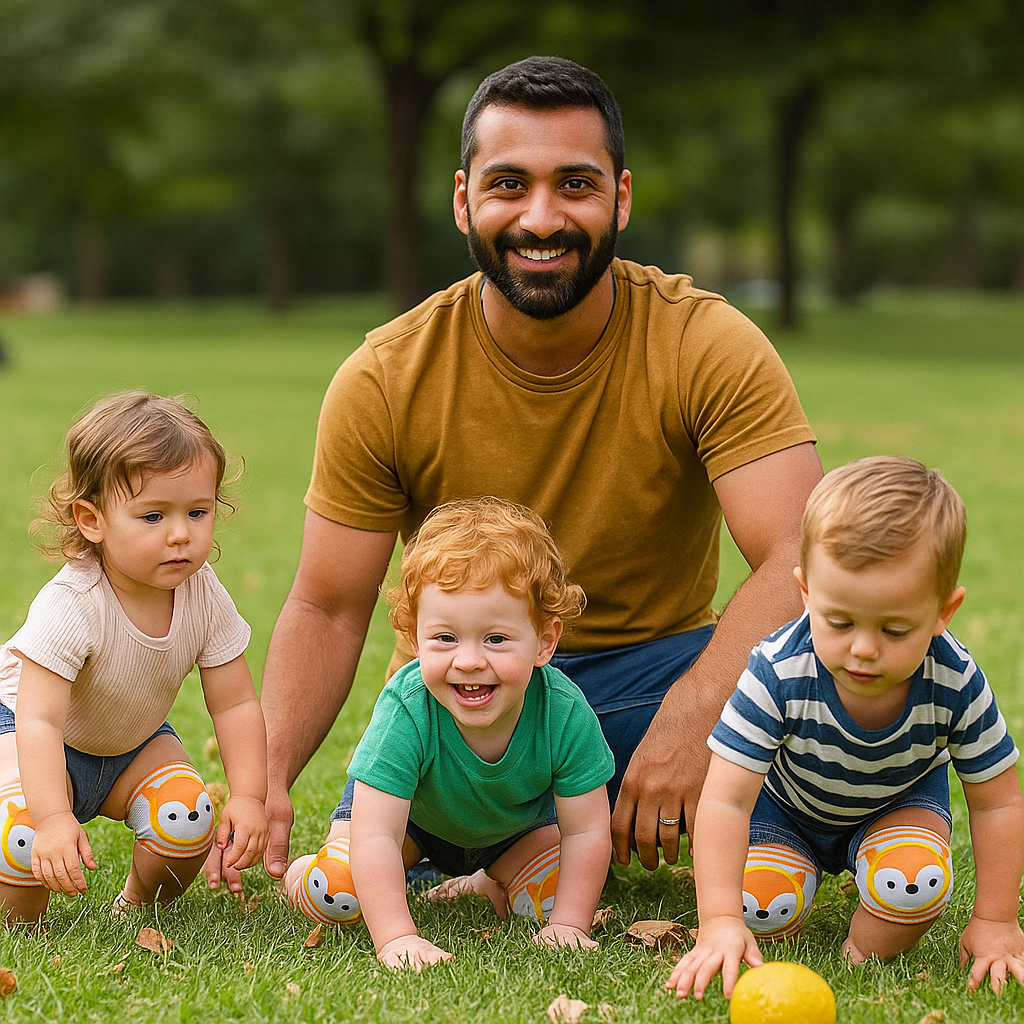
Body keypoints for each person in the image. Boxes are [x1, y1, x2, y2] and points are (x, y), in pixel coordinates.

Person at [206, 54, 822, 893]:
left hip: (652, 678)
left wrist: (691, 717)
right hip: (458, 698)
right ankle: (492, 848)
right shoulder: (387, 375)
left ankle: (583, 846)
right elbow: (329, 601)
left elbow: (799, 551)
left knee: (793, 746)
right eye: (508, 185)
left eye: (575, 184)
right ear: (465, 201)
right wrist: (263, 780)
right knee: (349, 885)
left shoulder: (705, 344)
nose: (541, 218)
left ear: (621, 198)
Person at [667, 456, 1024, 1000]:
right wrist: (717, 920)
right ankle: (779, 887)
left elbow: (997, 802)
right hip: (785, 810)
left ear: (942, 612)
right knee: (760, 904)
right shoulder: (777, 670)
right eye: (839, 622)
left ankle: (858, 957)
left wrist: (996, 920)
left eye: (895, 628)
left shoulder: (955, 681)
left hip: (896, 802)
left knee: (912, 883)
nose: (863, 648)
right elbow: (725, 800)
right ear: (806, 592)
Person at [283, 497, 614, 969]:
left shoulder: (562, 713)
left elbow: (586, 831)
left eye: (496, 638)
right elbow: (376, 832)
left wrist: (569, 925)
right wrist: (397, 937)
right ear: (414, 638)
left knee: (549, 899)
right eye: (445, 638)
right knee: (339, 893)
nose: (469, 660)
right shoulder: (408, 707)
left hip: (512, 833)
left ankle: (481, 881)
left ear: (545, 641)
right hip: (408, 827)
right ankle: (302, 874)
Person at [0, 392, 268, 922]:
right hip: (31, 733)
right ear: (91, 520)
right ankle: (23, 925)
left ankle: (137, 906)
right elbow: (39, 719)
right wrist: (53, 817)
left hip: (133, 737)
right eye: (152, 516)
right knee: (22, 837)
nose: (180, 534)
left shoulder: (204, 594)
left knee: (187, 815)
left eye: (198, 511)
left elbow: (235, 704)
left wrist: (250, 796)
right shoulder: (72, 603)